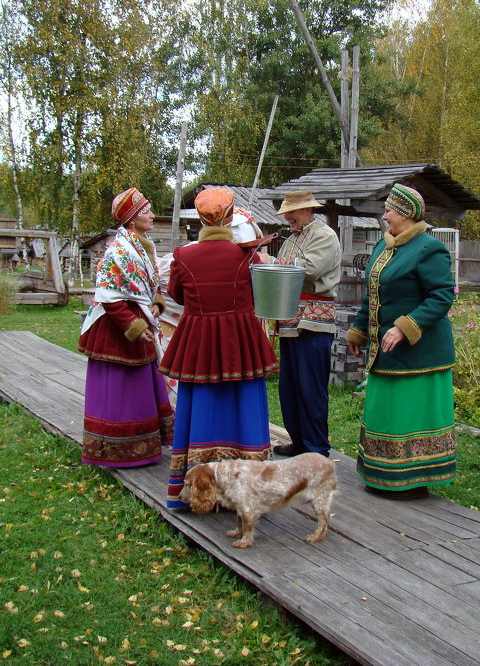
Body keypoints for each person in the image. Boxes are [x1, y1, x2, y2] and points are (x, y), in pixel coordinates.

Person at [158, 187, 278, 510]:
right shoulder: (245, 256)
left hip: (198, 343)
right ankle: (246, 489)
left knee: (202, 405)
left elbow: (177, 294)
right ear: (230, 216)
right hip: (241, 342)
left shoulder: (183, 257)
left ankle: (197, 490)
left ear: (200, 218)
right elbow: (260, 292)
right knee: (243, 403)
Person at [346, 183, 456, 499]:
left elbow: (442, 295)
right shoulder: (384, 248)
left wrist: (405, 327)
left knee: (410, 415)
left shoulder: (428, 248)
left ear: (405, 214)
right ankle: (382, 474)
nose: (384, 218)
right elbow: (373, 295)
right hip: (386, 351)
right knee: (384, 411)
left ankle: (413, 480)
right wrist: (360, 330)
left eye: (388, 211)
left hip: (420, 354)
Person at [78, 188, 174, 467]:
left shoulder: (142, 246)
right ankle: (115, 449)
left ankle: (143, 445)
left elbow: (147, 284)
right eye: (146, 211)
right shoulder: (118, 251)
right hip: (117, 332)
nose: (152, 215)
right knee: (120, 390)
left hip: (138, 323)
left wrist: (156, 302)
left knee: (141, 387)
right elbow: (108, 295)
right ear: (131, 220)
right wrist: (132, 325)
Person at [259, 189, 341, 459]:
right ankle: (300, 441)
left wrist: (268, 261)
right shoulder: (293, 238)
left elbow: (309, 269)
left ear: (307, 209)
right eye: (286, 213)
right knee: (290, 388)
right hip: (292, 321)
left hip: (313, 323)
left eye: (291, 212)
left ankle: (316, 448)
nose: (288, 218)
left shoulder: (324, 235)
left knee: (310, 388)